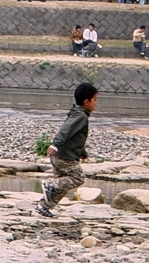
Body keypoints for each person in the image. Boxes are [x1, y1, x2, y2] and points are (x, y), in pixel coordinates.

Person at [36, 82, 98, 217]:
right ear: (86, 102)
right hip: (64, 156)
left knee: (62, 184)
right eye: (95, 100)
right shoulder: (80, 116)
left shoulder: (77, 113)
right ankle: (50, 185)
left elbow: (75, 137)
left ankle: (43, 207)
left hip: (59, 155)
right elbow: (66, 130)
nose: (96, 103)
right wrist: (55, 143)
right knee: (77, 178)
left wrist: (82, 153)